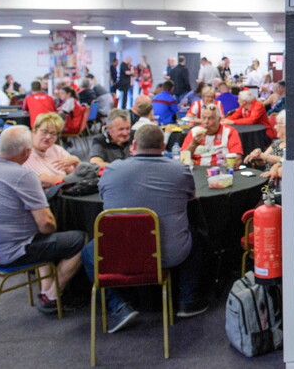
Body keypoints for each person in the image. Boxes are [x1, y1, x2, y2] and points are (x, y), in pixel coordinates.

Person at [80, 124, 207, 332]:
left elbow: (104, 198)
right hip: (170, 255)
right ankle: (189, 300)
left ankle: (118, 306)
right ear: (164, 145)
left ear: (134, 145)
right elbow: (190, 198)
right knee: (194, 233)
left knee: (87, 252)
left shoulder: (112, 170)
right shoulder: (180, 169)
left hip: (117, 257)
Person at [0, 126, 85, 313]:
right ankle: (53, 296)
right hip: (10, 253)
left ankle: (46, 290)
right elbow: (47, 225)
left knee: (41, 234)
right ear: (27, 152)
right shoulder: (23, 176)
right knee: (80, 239)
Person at [23, 112, 80, 188]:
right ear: (34, 130)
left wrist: (76, 161)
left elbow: (80, 173)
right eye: (44, 132)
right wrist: (72, 178)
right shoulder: (26, 154)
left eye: (53, 133)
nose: (48, 137)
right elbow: (45, 180)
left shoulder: (57, 149)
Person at [244, 110, 286, 181]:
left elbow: (285, 160)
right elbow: (262, 162)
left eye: (278, 124)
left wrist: (264, 156)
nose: (275, 127)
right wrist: (256, 155)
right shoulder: (277, 143)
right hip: (266, 177)